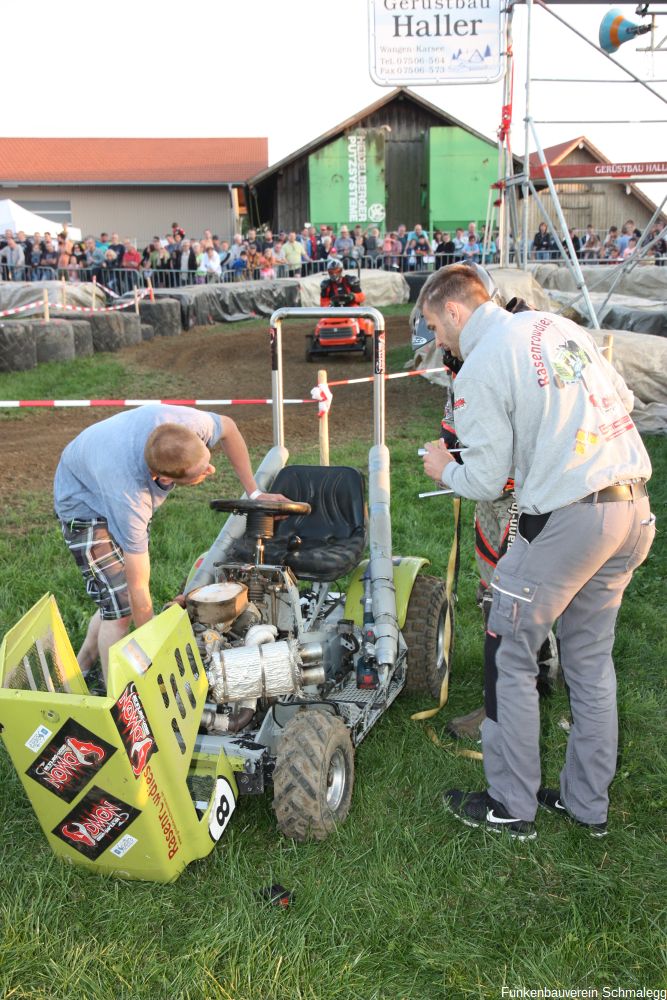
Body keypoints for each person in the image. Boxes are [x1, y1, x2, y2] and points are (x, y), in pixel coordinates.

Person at [419, 265, 654, 840]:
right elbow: (620, 397)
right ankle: (585, 804)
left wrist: (442, 465)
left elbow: (485, 477)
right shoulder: (557, 327)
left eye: (433, 325)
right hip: (633, 509)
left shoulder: (480, 365)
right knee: (591, 664)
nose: (437, 340)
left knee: (508, 654)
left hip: (569, 520)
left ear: (454, 310)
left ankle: (511, 804)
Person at [54, 404, 289, 684]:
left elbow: (228, 428)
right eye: (200, 472)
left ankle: (77, 674)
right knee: (122, 609)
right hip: (83, 503)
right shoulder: (131, 498)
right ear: (163, 478)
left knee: (115, 599)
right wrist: (158, 659)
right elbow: (139, 589)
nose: (212, 470)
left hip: (101, 462)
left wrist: (255, 492)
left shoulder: (183, 423)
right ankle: (117, 701)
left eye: (207, 460)